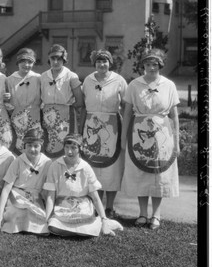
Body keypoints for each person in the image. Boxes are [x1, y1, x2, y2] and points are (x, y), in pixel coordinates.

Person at [120, 49, 180, 230]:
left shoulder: (169, 85)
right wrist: (123, 138)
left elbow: (174, 117)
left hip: (162, 134)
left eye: (155, 64)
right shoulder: (134, 85)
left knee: (159, 174)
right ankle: (142, 213)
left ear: (160, 65)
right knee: (140, 173)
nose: (151, 67)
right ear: (143, 66)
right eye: (147, 64)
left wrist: (176, 143)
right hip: (139, 132)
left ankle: (156, 214)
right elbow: (127, 113)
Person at [79, 50, 127, 219]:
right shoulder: (88, 80)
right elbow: (84, 106)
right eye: (98, 61)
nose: (102, 64)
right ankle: (95, 204)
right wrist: (80, 129)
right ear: (94, 64)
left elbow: (127, 105)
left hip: (112, 126)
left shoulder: (119, 80)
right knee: (93, 166)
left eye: (105, 61)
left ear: (110, 63)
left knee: (112, 168)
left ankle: (109, 207)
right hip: (91, 125)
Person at [43, 134, 122, 237]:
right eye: (67, 147)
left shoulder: (86, 168)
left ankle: (103, 223)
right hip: (63, 206)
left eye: (73, 148)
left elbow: (95, 198)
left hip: (82, 206)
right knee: (53, 227)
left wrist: (104, 218)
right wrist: (47, 219)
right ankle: (80, 230)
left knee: (88, 231)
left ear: (80, 149)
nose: (69, 151)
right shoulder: (55, 166)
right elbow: (50, 197)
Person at [0, 129, 51, 235]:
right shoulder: (18, 161)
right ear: (24, 145)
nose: (32, 149)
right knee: (18, 212)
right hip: (16, 196)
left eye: (36, 146)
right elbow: (7, 188)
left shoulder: (47, 163)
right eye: (29, 145)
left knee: (38, 217)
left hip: (34, 198)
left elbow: (49, 190)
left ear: (41, 145)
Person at [40, 44, 84, 158]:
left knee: (66, 141)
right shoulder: (43, 77)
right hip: (48, 114)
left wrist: (66, 110)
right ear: (49, 59)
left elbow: (79, 100)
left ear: (64, 60)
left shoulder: (71, 76)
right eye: (52, 59)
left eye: (59, 59)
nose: (55, 62)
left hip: (65, 114)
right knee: (49, 142)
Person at [6, 48, 42, 155]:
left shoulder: (38, 78)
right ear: (18, 62)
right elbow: (7, 101)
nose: (26, 65)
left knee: (34, 147)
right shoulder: (10, 80)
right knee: (17, 148)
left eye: (30, 62)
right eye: (23, 61)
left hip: (34, 117)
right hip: (17, 119)